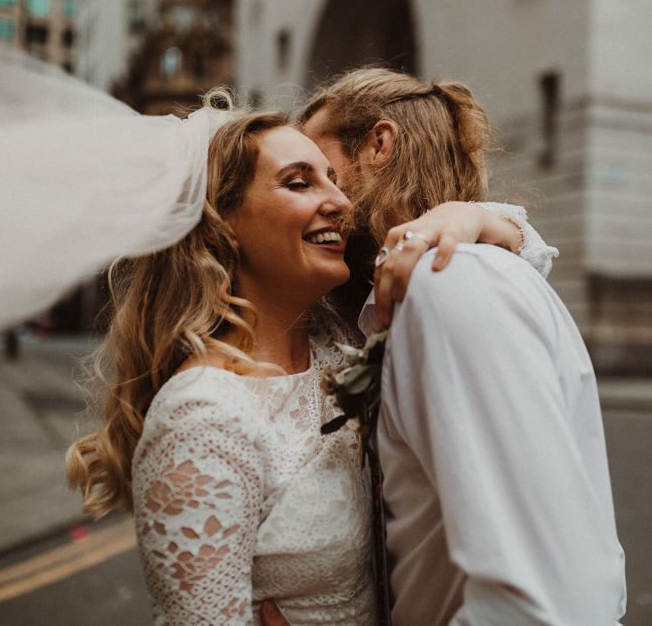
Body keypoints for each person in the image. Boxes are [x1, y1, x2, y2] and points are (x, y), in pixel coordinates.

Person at [66, 96, 555, 624]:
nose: (342, 203)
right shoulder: (202, 417)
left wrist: (468, 216)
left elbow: (511, 281)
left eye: (333, 179)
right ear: (219, 224)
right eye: (299, 183)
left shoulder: (336, 336)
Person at [298, 68, 626, 624]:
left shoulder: (450, 279)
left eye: (322, 170)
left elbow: (543, 606)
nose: (320, 198)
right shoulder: (415, 289)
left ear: (379, 144)